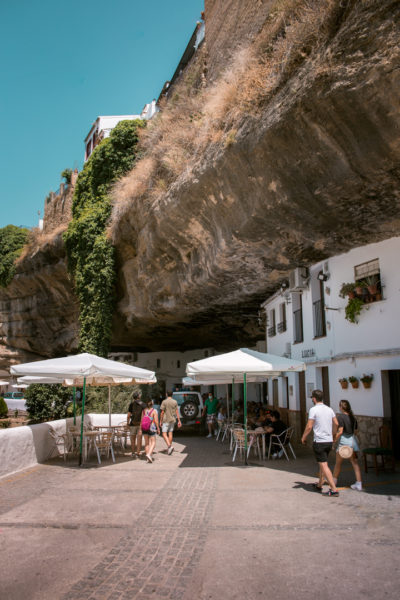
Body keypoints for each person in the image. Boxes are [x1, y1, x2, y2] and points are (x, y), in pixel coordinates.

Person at [301, 389, 339, 496]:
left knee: (323, 465)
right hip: (328, 440)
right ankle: (319, 485)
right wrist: (333, 435)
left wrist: (303, 437)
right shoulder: (329, 409)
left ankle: (333, 489)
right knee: (323, 463)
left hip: (319, 441)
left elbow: (309, 426)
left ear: (314, 398)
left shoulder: (313, 410)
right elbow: (336, 423)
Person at [333, 399, 363, 491]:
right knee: (354, 462)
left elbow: (340, 431)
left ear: (341, 407)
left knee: (338, 463)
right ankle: (359, 483)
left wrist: (334, 440)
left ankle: (333, 481)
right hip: (352, 442)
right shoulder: (353, 418)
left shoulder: (341, 417)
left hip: (344, 442)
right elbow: (356, 431)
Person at [160, 391, 182, 455]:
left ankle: (169, 446)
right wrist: (179, 420)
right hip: (172, 420)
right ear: (172, 395)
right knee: (170, 433)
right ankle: (169, 448)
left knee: (164, 434)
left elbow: (162, 412)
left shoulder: (164, 402)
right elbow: (177, 411)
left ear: (166, 394)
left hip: (165, 420)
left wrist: (160, 420)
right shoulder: (175, 402)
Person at [127, 392, 146, 458]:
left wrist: (127, 423)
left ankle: (133, 452)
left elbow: (129, 415)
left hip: (132, 424)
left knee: (132, 439)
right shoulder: (143, 404)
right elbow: (144, 415)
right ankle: (138, 453)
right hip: (140, 424)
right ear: (138, 396)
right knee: (139, 439)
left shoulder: (131, 404)